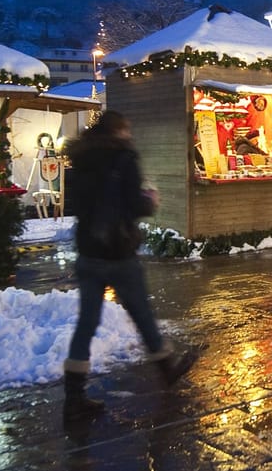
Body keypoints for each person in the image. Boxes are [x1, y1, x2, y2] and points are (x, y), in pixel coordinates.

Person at [62, 111, 195, 421]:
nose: (129, 134)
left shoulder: (80, 159)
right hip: (119, 253)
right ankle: (167, 369)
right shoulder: (123, 158)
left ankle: (73, 397)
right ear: (119, 131)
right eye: (127, 129)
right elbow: (134, 205)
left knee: (86, 323)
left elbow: (76, 204)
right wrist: (149, 201)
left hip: (88, 251)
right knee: (141, 313)